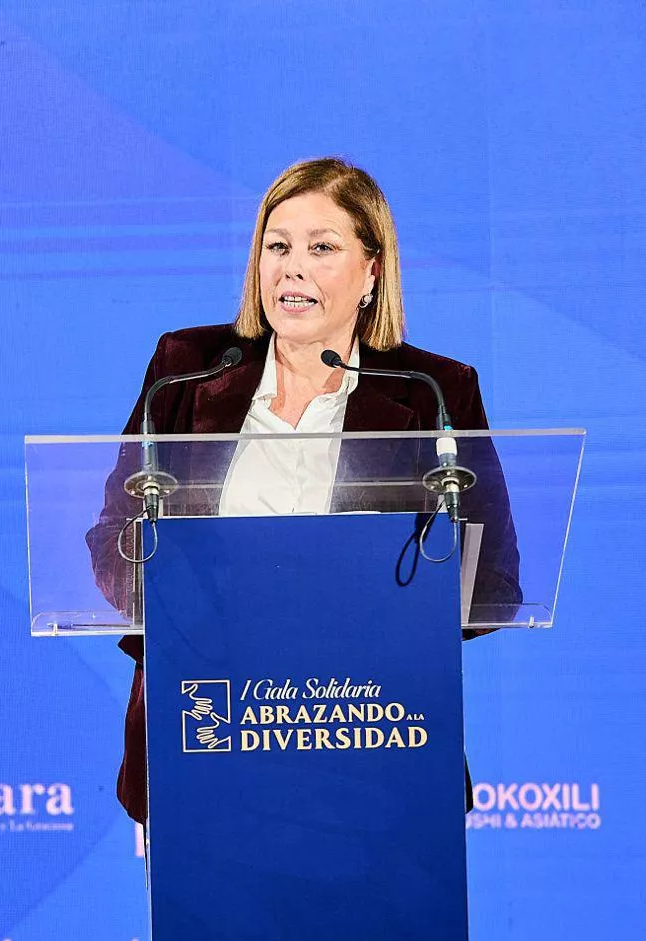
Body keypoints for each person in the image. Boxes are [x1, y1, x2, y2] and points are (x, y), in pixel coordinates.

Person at [88, 157, 520, 825]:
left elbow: (491, 577)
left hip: (372, 739)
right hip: (201, 732)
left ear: (373, 269)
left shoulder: (433, 391)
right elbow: (113, 534)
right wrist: (172, 598)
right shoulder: (187, 370)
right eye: (277, 245)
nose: (292, 268)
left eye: (322, 247)